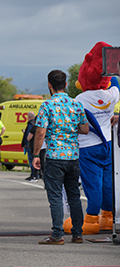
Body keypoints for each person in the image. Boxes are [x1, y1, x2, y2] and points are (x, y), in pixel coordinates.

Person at [64, 42, 120, 235]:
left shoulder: (81, 99)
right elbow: (116, 83)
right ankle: (108, 217)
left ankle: (91, 219)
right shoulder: (111, 95)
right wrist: (110, 74)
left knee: (92, 183)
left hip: (88, 147)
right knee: (108, 182)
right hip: (109, 145)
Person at [33, 69, 89, 245]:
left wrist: (35, 154)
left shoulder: (47, 106)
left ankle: (57, 235)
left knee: (56, 196)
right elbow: (85, 129)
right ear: (65, 84)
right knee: (74, 195)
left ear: (49, 85)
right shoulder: (76, 105)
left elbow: (40, 132)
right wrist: (71, 129)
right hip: (73, 156)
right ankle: (77, 233)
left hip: (55, 156)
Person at [27, 115, 46, 181]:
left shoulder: (34, 127)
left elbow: (29, 137)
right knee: (43, 162)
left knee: (35, 161)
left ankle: (35, 176)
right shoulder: (46, 127)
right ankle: (43, 175)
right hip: (44, 147)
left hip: (36, 147)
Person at [21, 111, 36, 181]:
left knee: (31, 160)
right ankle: (35, 174)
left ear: (29, 117)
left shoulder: (30, 124)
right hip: (34, 144)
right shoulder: (35, 123)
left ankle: (33, 174)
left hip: (30, 144)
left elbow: (29, 135)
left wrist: (26, 143)